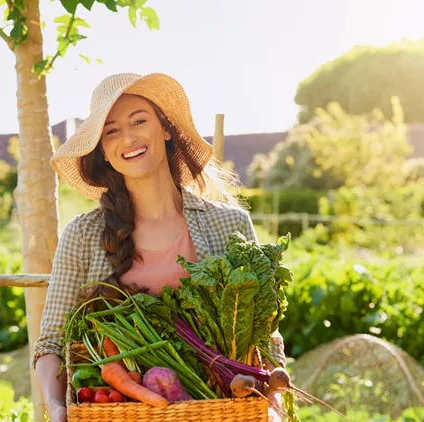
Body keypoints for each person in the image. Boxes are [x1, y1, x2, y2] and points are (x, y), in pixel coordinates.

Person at [32, 73, 286, 422]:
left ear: (166, 129)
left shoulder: (229, 224)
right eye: (112, 130)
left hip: (223, 409)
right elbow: (50, 344)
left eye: (139, 120)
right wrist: (56, 407)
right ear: (104, 152)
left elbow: (264, 332)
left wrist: (274, 404)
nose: (129, 137)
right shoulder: (83, 234)